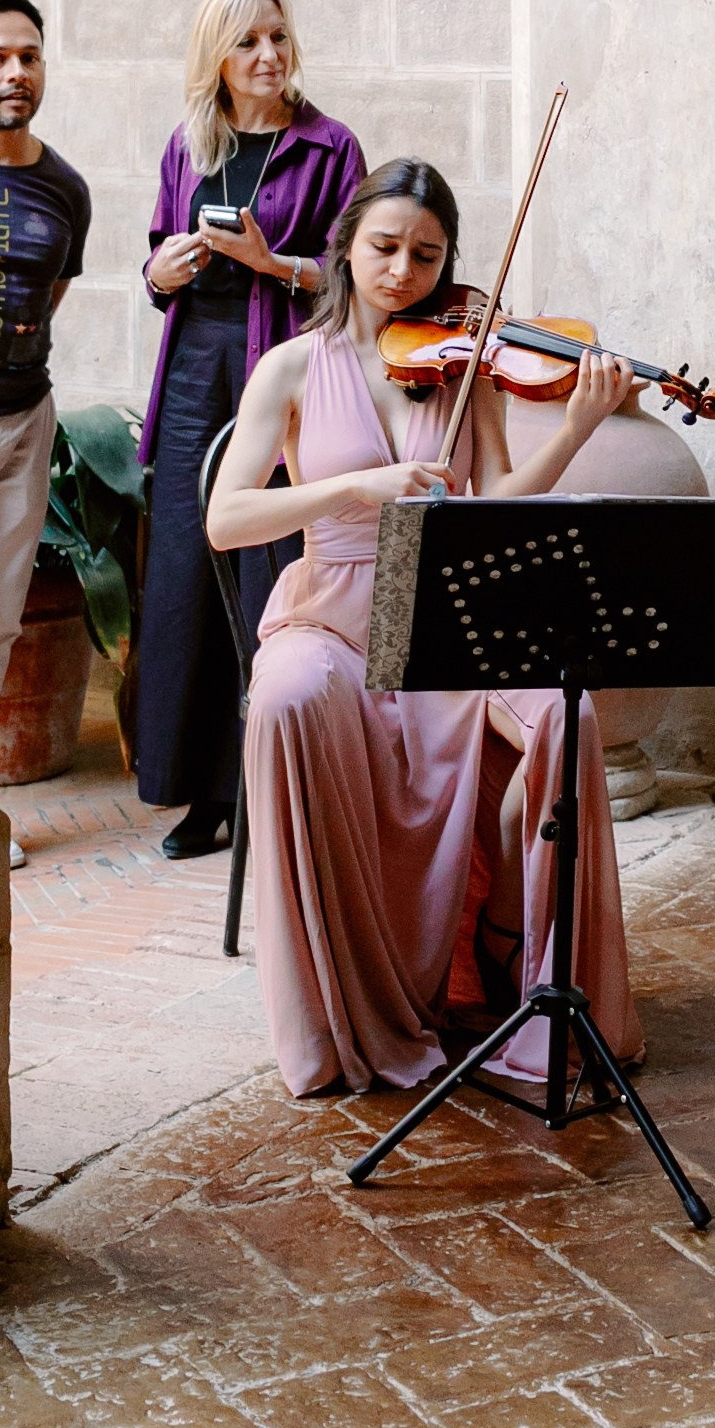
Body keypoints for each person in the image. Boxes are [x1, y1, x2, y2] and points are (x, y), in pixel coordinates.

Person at [207, 160, 644, 1098]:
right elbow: (225, 516)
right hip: (332, 610)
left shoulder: (463, 364)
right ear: (345, 245)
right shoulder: (290, 365)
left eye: (426, 254)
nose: (402, 270)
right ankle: (343, 1005)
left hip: (453, 616)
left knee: (568, 717)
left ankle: (517, 958)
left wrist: (570, 429)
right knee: (285, 695)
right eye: (385, 247)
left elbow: (496, 503)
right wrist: (352, 487)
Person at [136, 0, 365, 860]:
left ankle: (264, 783)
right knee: (188, 575)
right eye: (247, 43)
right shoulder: (190, 145)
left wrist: (274, 262)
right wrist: (165, 268)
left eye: (277, 36)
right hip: (198, 367)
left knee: (271, 572)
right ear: (217, 60)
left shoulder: (330, 145)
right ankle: (201, 793)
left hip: (281, 369)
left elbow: (352, 280)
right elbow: (152, 269)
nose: (268, 56)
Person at [0, 0, 92, 867]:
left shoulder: (66, 189)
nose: (16, 72)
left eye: (28, 56)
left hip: (20, 421)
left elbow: (46, 299)